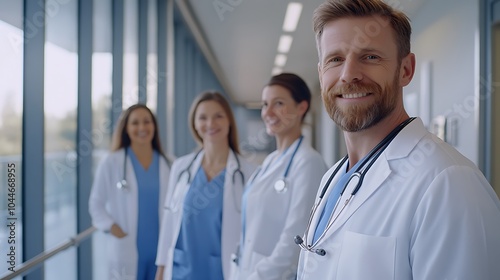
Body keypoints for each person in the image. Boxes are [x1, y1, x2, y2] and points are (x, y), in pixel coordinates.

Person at [295, 1, 500, 279]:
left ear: (406, 69)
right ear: (321, 74)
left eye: (370, 57)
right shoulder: (332, 178)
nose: (348, 74)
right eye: (335, 59)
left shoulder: (449, 183)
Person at [231, 73, 328, 280]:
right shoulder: (269, 162)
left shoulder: (308, 163)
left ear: (302, 107)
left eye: (279, 103)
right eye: (265, 104)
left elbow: (294, 240)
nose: (268, 112)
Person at [155, 91, 257, 280]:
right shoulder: (181, 168)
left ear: (229, 121)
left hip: (223, 271)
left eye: (218, 116)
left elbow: (253, 232)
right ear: (194, 123)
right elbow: (169, 222)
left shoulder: (248, 173)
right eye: (203, 118)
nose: (210, 124)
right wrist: (160, 270)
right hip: (181, 270)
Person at [89, 104, 172, 280]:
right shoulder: (111, 162)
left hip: (162, 251)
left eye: (146, 122)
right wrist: (111, 226)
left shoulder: (170, 163)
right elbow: (95, 203)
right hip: (126, 249)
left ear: (154, 126)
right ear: (126, 128)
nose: (142, 128)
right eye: (135, 123)